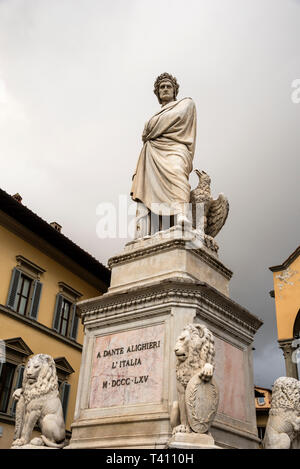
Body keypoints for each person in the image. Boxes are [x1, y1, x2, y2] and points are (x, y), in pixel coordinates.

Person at [131, 73, 197, 238]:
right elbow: (148, 131)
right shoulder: (156, 114)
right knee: (147, 187)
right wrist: (151, 129)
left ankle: (181, 215)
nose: (165, 89)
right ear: (158, 93)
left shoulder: (186, 103)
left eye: (168, 86)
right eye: (161, 87)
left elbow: (174, 118)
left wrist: (151, 128)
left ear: (175, 91)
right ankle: (145, 230)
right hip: (152, 152)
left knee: (177, 172)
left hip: (176, 148)